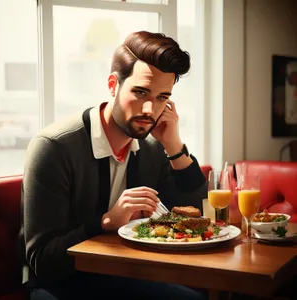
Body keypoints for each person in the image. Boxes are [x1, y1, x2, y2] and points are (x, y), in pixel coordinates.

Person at [19, 30, 208, 300]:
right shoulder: (53, 147)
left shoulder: (153, 149)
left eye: (161, 97)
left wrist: (174, 146)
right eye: (140, 92)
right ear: (112, 85)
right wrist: (105, 221)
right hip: (56, 286)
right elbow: (42, 261)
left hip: (125, 276)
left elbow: (196, 219)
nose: (149, 110)